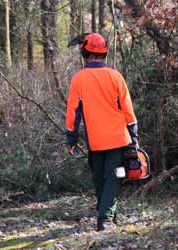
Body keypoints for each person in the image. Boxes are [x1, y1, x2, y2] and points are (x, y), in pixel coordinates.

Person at [65, 33, 139, 231]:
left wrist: (71, 139)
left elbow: (73, 113)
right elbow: (128, 111)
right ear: (104, 52)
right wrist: (134, 137)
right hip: (118, 139)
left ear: (84, 52)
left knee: (101, 178)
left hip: (95, 141)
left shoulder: (79, 79)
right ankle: (107, 214)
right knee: (112, 177)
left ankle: (105, 218)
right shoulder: (116, 76)